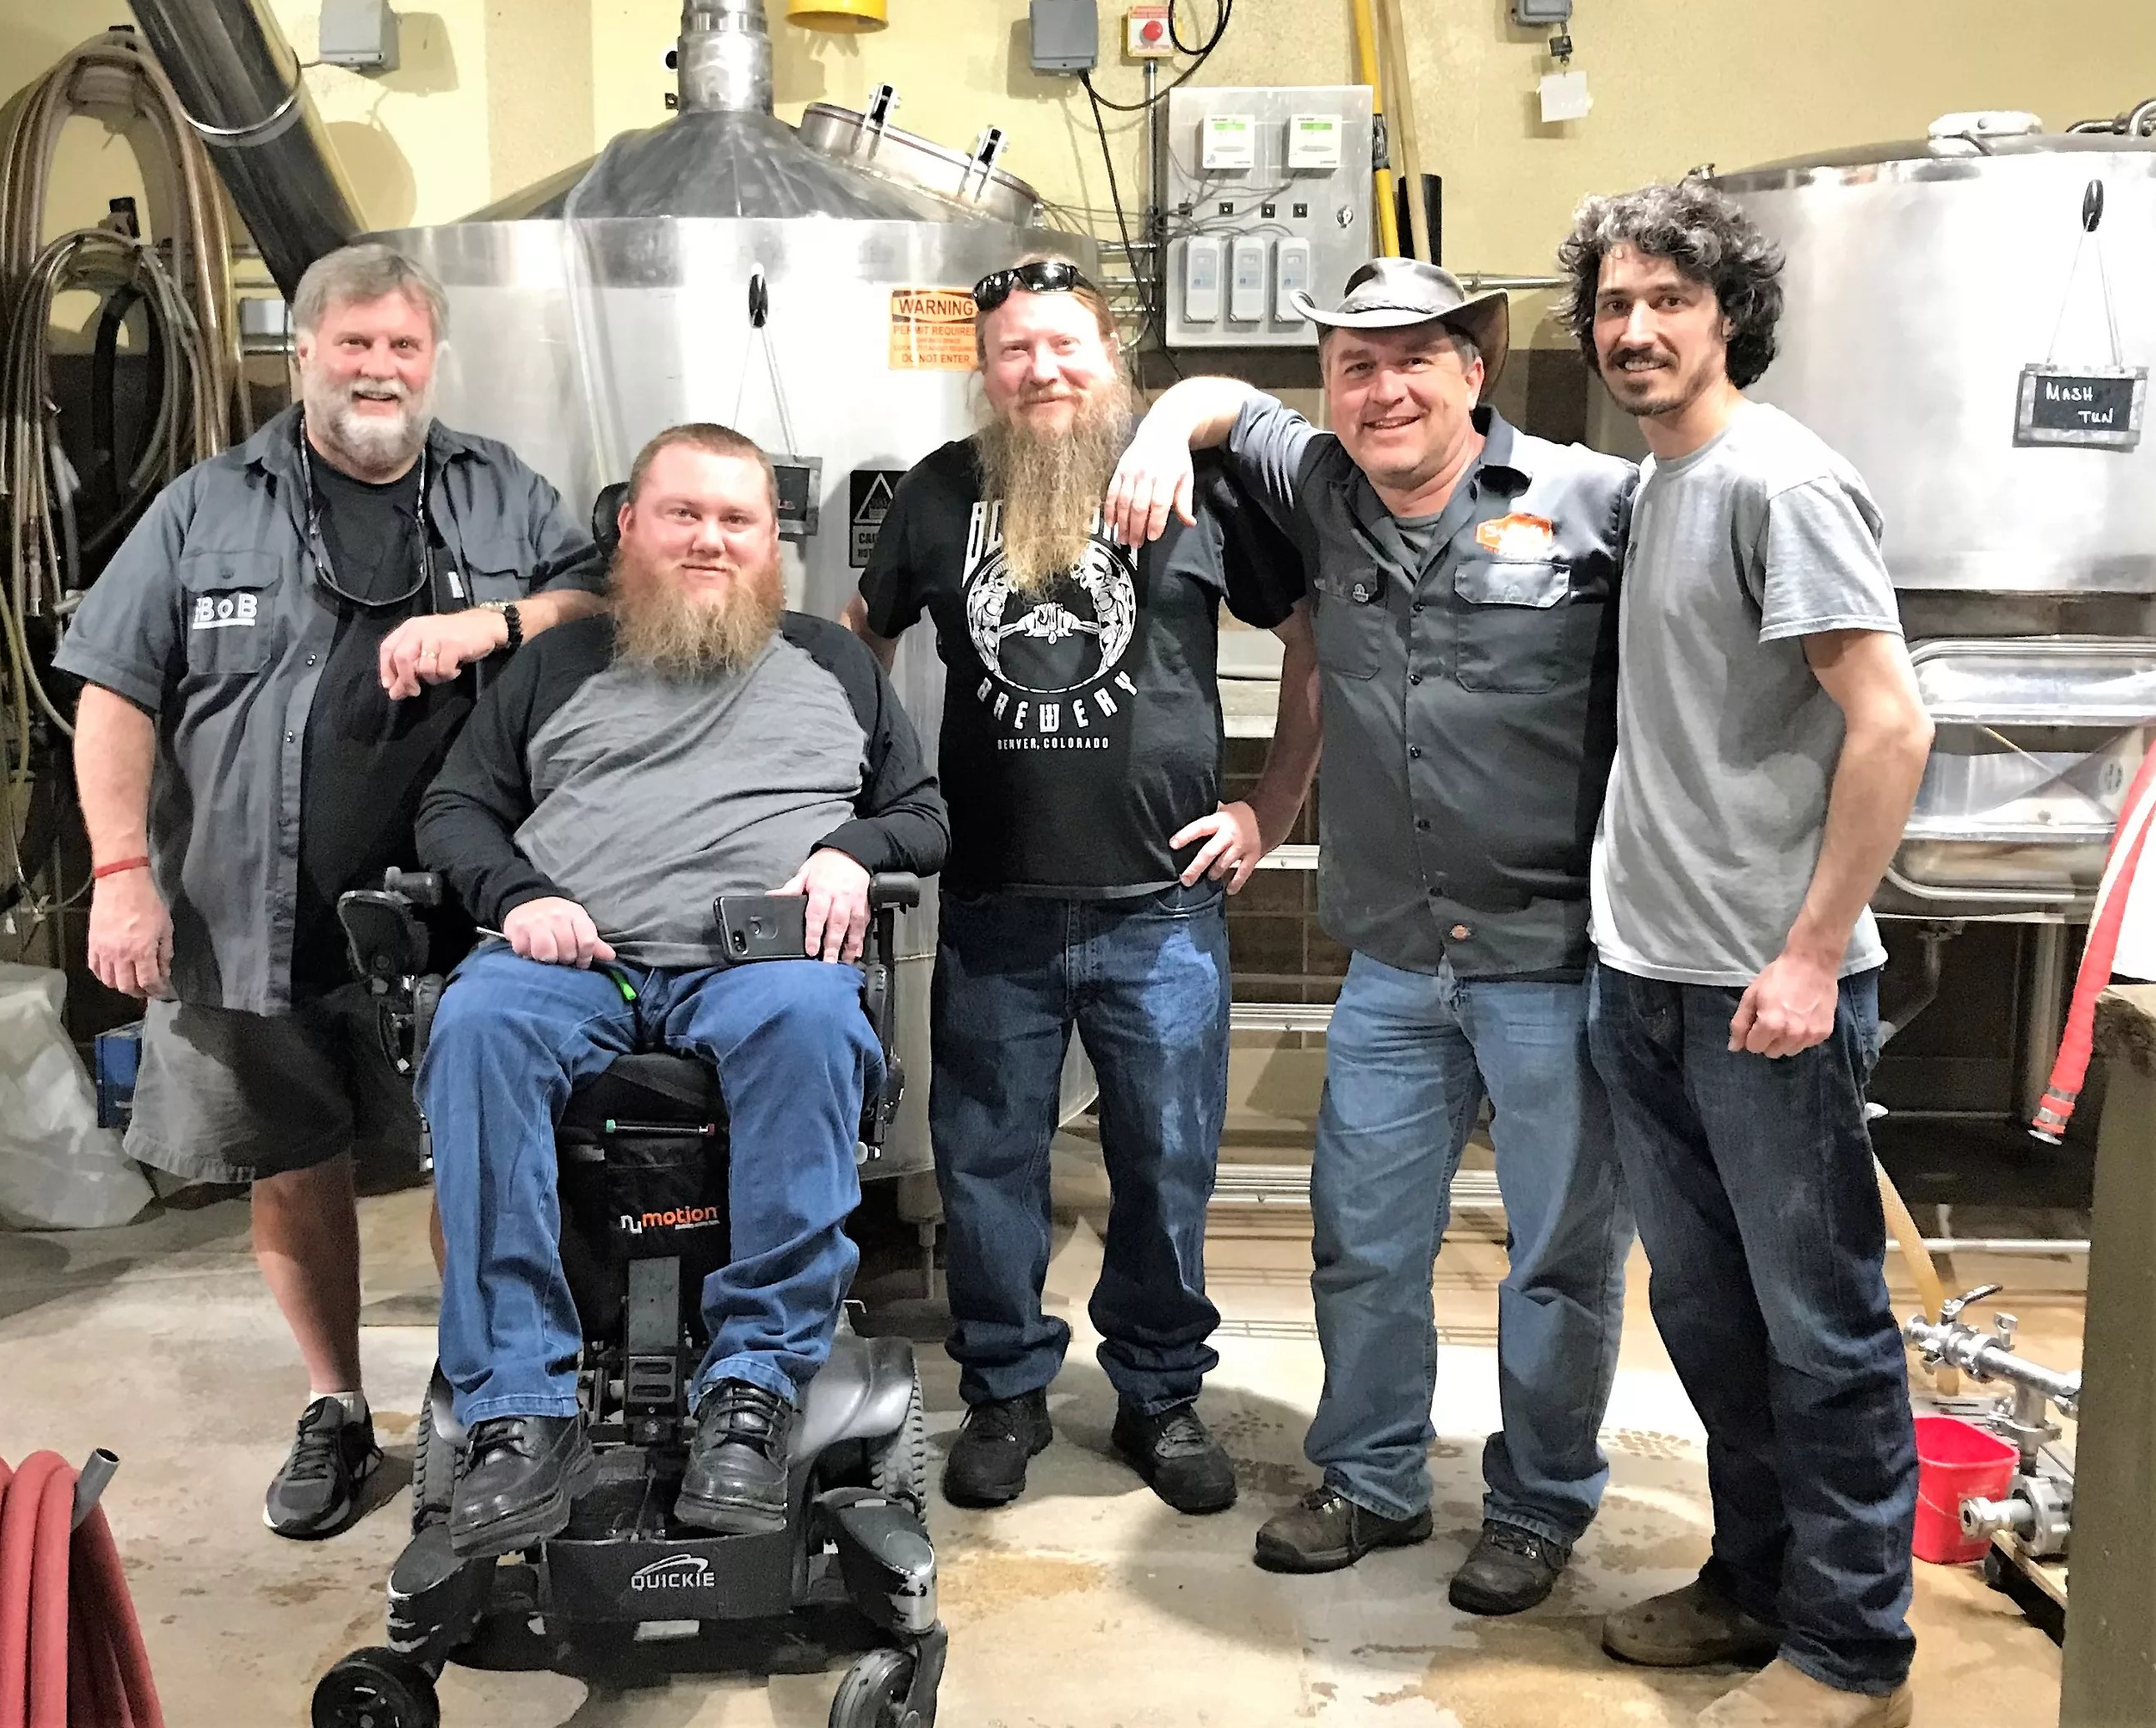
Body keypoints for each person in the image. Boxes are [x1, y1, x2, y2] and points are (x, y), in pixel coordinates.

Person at [1104, 258, 1638, 1614]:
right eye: (1353, 365)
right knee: (1363, 1240)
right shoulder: (1321, 483)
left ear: (1474, 370)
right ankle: (1372, 1478)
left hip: (1552, 961)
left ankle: (1537, 1504)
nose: (1382, 389)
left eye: (1413, 360)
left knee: (1558, 1257)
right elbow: (1223, 400)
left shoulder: (1599, 501)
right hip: (1395, 962)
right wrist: (1161, 426)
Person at [57, 242, 604, 1540]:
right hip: (258, 910)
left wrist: (492, 624)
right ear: (300, 351)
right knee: (291, 1163)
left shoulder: (500, 490)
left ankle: (482, 1406)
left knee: (477, 1166)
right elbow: (113, 693)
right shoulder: (203, 507)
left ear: (433, 359)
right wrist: (121, 876)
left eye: (403, 346)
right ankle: (338, 1408)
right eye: (353, 344)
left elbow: (602, 606)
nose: (378, 369)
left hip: (471, 916)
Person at [842, 259, 1322, 1517]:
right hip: (991, 906)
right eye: (1014, 350)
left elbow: (1315, 642)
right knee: (985, 1165)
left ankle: (1159, 1393)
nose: (1041, 370)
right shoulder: (941, 492)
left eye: (1065, 346)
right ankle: (1004, 1392)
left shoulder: (1196, 488)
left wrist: (1269, 811)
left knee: (1165, 1166)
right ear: (984, 372)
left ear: (1112, 357)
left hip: (1160, 908)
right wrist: (868, 805)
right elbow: (857, 642)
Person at [415, 422, 948, 1553]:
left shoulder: (834, 663)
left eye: (735, 520)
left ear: (770, 541)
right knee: (475, 1023)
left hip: (754, 969)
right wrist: (517, 895)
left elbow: (923, 814)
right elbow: (453, 810)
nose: (711, 539)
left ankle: (751, 1394)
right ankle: (519, 1409)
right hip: (577, 960)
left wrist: (851, 851)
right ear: (630, 528)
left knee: (812, 1019)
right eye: (683, 515)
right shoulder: (554, 665)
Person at [1562, 183, 1932, 1728]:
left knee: (1822, 1330)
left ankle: (1849, 1652)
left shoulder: (1781, 483)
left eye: (1668, 300)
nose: (1634, 329)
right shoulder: (1661, 487)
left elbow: (1889, 725)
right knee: (1711, 1321)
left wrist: (1811, 955)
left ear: (1730, 318)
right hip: (1645, 974)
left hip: (1763, 997)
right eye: (1612, 304)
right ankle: (1752, 1587)